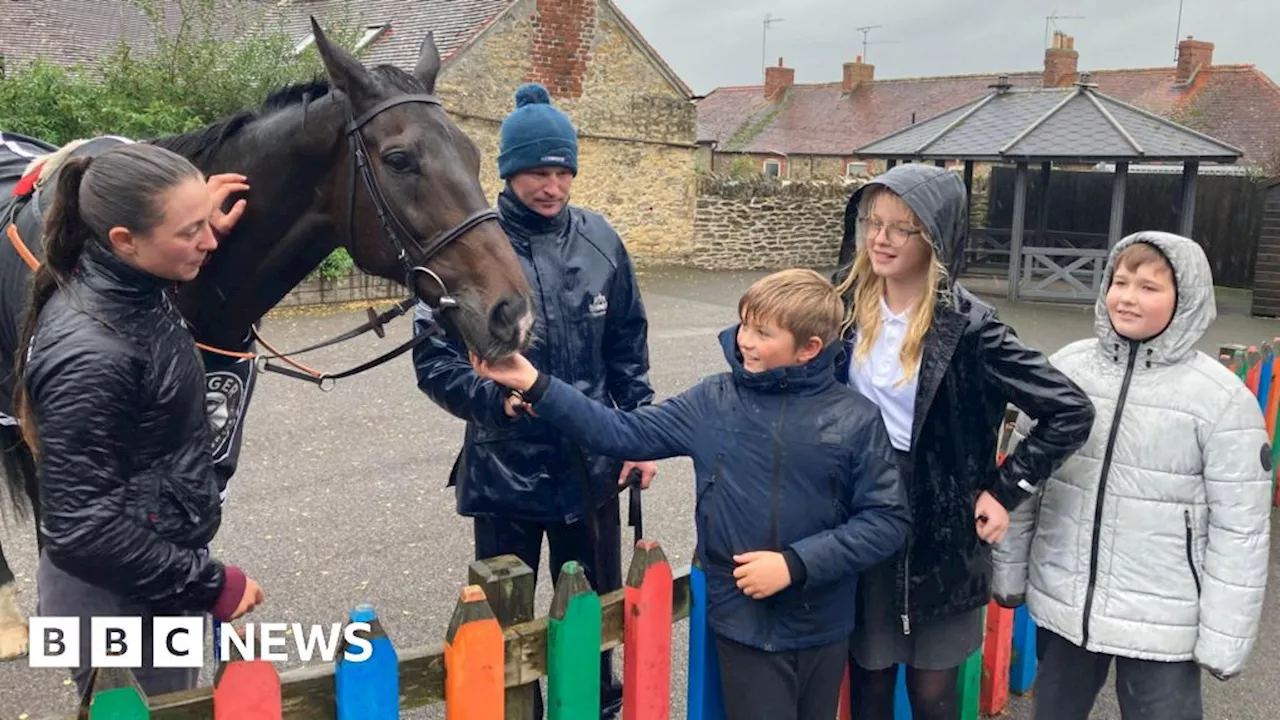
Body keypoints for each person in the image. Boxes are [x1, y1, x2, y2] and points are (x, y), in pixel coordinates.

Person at [472, 268, 912, 720]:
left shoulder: (855, 419)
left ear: (809, 349)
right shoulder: (714, 401)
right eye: (744, 325)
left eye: (763, 333)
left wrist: (795, 564)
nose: (745, 340)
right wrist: (535, 383)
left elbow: (886, 520)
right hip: (744, 622)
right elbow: (621, 432)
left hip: (824, 623)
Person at [412, 82, 653, 719]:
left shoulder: (601, 240)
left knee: (593, 614)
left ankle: (595, 705)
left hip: (592, 467)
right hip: (504, 472)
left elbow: (628, 344)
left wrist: (639, 433)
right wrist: (495, 402)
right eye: (537, 173)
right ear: (509, 172)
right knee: (506, 623)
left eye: (562, 171)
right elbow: (434, 362)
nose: (552, 186)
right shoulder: (466, 250)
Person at [831, 163, 1096, 719]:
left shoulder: (971, 328)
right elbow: (777, 347)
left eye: (902, 228)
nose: (880, 239)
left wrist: (1004, 490)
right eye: (873, 222)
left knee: (933, 695)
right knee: (869, 683)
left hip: (941, 534)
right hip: (860, 513)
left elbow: (1069, 410)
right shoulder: (845, 305)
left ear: (936, 237)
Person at [13, 143, 264, 697]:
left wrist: (188, 223)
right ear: (124, 240)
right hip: (116, 599)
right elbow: (81, 527)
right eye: (190, 231)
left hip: (146, 575)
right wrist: (210, 583)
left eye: (207, 222)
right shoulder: (91, 351)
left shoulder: (129, 286)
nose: (210, 240)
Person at [992, 232, 1272, 720]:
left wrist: (1224, 637)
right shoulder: (1068, 371)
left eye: (1148, 287)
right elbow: (1026, 479)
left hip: (1163, 619)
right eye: (1119, 281)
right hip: (1068, 601)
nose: (1127, 296)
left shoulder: (1220, 400)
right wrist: (1010, 570)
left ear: (1185, 299)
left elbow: (1240, 530)